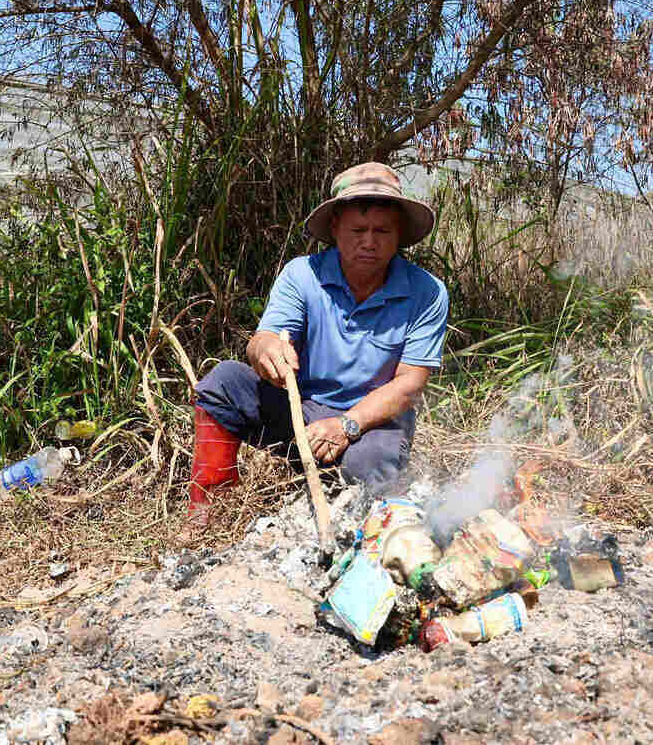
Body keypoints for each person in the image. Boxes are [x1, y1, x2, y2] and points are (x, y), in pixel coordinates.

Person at [177, 162, 449, 542]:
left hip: (373, 423)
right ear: (336, 228)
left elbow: (409, 385)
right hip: (303, 411)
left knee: (368, 465)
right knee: (223, 383)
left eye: (382, 231)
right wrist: (266, 350)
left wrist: (347, 425)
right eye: (358, 231)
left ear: (399, 233)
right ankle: (207, 511)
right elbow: (264, 338)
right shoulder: (302, 275)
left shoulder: (427, 292)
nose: (369, 242)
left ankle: (355, 530)